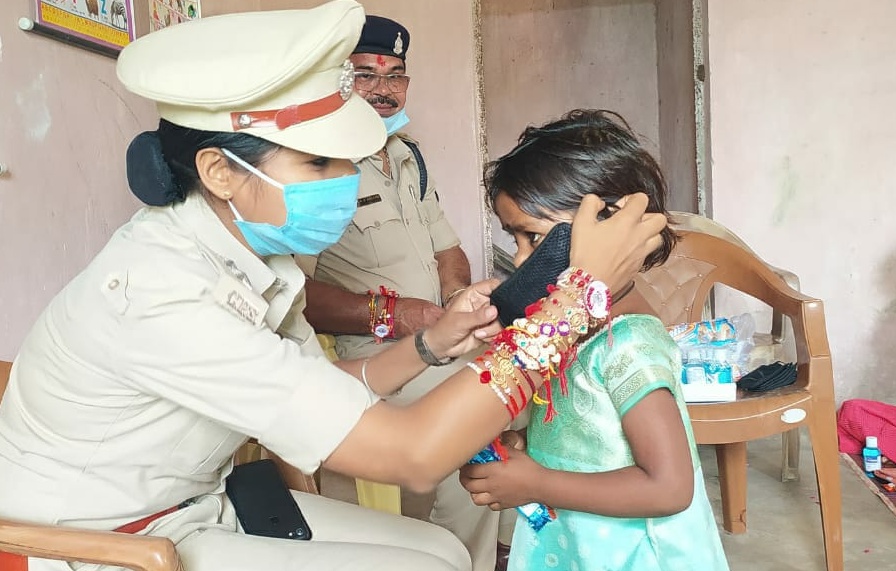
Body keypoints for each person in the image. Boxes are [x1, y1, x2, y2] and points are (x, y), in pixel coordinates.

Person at [0, 2, 665, 569]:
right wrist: (576, 303)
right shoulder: (163, 292)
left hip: (200, 503)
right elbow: (414, 457)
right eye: (318, 162)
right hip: (101, 541)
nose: (344, 185)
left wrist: (431, 342)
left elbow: (328, 385)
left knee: (448, 551)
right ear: (220, 171)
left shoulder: (253, 259)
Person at [460, 109, 730, 571]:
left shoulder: (628, 344)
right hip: (579, 546)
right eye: (515, 240)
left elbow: (669, 487)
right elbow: (592, 432)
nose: (522, 260)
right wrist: (530, 445)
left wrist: (537, 483)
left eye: (534, 237)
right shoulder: (568, 330)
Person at [297, 15, 505, 571]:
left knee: (526, 388)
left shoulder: (408, 157)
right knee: (472, 429)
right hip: (374, 351)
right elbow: (297, 294)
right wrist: (397, 314)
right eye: (365, 74)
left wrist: (460, 300)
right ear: (337, 81)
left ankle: (466, 553)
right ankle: (451, 557)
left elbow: (448, 249)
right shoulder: (321, 167)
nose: (383, 89)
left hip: (438, 337)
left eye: (395, 75)